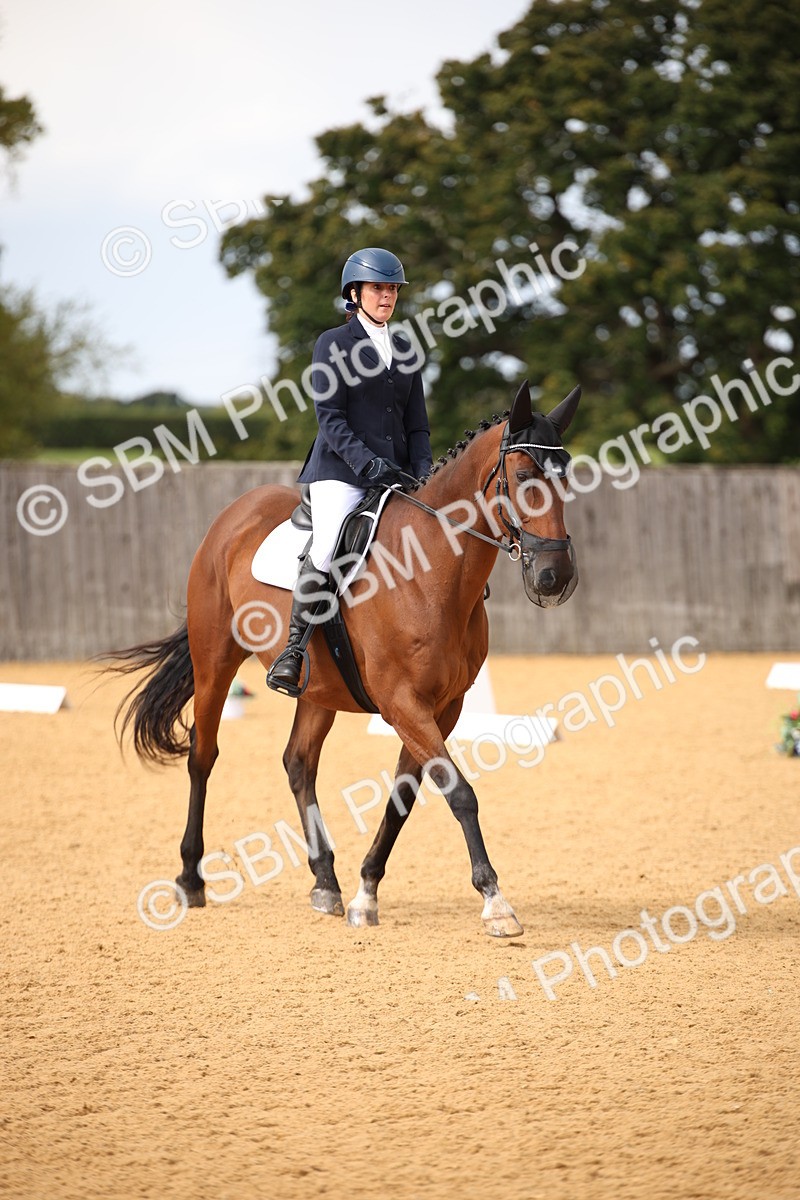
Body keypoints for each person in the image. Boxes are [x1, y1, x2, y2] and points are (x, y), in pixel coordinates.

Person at [267, 247, 433, 692]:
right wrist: (368, 463)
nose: (387, 296)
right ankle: (294, 650)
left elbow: (417, 424)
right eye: (379, 288)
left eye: (393, 289)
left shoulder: (405, 348)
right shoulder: (333, 343)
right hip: (341, 472)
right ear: (355, 293)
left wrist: (423, 472)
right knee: (325, 548)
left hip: (396, 475)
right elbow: (330, 418)